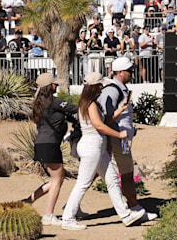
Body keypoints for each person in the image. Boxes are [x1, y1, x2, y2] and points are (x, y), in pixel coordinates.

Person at [60, 72, 145, 230]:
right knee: (83, 183)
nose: (102, 87)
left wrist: (120, 109)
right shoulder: (90, 104)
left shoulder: (89, 103)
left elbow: (104, 121)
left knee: (112, 180)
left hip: (96, 147)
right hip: (92, 146)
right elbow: (99, 125)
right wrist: (119, 134)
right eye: (100, 85)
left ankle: (126, 215)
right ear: (95, 86)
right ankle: (67, 218)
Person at [99, 57, 158, 221]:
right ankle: (134, 207)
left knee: (93, 173)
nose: (132, 73)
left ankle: (72, 208)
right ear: (120, 73)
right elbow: (105, 116)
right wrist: (115, 134)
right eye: (129, 71)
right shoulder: (112, 91)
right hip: (116, 139)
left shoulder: (119, 89)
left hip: (118, 137)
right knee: (126, 172)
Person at [22, 73, 76, 226]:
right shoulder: (55, 102)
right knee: (58, 178)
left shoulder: (39, 104)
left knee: (55, 178)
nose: (56, 85)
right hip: (50, 145)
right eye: (54, 84)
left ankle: (28, 201)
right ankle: (49, 214)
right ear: (49, 86)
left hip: (41, 145)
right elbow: (75, 108)